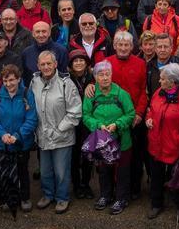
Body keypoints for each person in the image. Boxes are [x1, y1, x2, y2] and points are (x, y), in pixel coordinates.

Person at [29, 50, 82, 213]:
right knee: (45, 171)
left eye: (49, 64)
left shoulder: (66, 83)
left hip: (62, 136)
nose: (46, 67)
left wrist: (59, 129)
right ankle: (47, 195)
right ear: (38, 65)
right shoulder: (34, 82)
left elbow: (75, 111)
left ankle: (62, 198)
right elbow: (30, 106)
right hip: (43, 135)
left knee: (61, 171)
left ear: (55, 64)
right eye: (42, 64)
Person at [146, 62, 179, 221]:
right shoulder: (159, 92)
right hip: (156, 143)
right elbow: (151, 110)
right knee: (156, 176)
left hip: (174, 147)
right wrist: (148, 120)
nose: (159, 81)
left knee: (177, 178)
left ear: (173, 82)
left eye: (162, 79)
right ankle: (156, 204)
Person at [83, 60, 137, 215]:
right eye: (101, 75)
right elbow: (86, 115)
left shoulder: (121, 94)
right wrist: (99, 125)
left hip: (122, 140)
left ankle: (121, 198)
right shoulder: (91, 96)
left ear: (112, 75)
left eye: (108, 74)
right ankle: (105, 196)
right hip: (101, 141)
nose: (105, 78)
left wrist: (117, 124)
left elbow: (130, 113)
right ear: (95, 77)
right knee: (104, 169)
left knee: (122, 170)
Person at [0, 64, 38, 213]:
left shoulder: (26, 94)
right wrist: (2, 134)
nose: (9, 84)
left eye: (12, 80)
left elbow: (31, 119)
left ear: (18, 79)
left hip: (21, 143)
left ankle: (25, 198)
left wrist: (17, 136)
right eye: (5, 81)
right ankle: (8, 197)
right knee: (5, 173)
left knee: (22, 171)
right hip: (2, 142)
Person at [107, 31, 149, 198]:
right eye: (120, 45)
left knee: (135, 155)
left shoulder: (140, 64)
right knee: (112, 155)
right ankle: (113, 188)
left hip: (134, 119)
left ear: (132, 47)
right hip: (113, 119)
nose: (123, 48)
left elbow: (143, 92)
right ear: (115, 46)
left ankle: (134, 187)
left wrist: (139, 114)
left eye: (126, 45)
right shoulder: (107, 63)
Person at [66, 49, 96, 199]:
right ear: (71, 64)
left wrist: (92, 83)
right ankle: (76, 185)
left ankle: (86, 184)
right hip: (72, 121)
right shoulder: (66, 79)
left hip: (88, 121)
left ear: (86, 62)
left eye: (81, 60)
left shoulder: (92, 77)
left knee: (87, 154)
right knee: (74, 155)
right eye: (75, 61)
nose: (78, 63)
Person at [20, 21, 68, 85]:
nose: (41, 35)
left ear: (49, 33)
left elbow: (64, 76)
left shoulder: (61, 51)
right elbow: (25, 77)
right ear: (33, 34)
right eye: (37, 32)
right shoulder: (26, 53)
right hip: (33, 91)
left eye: (44, 31)